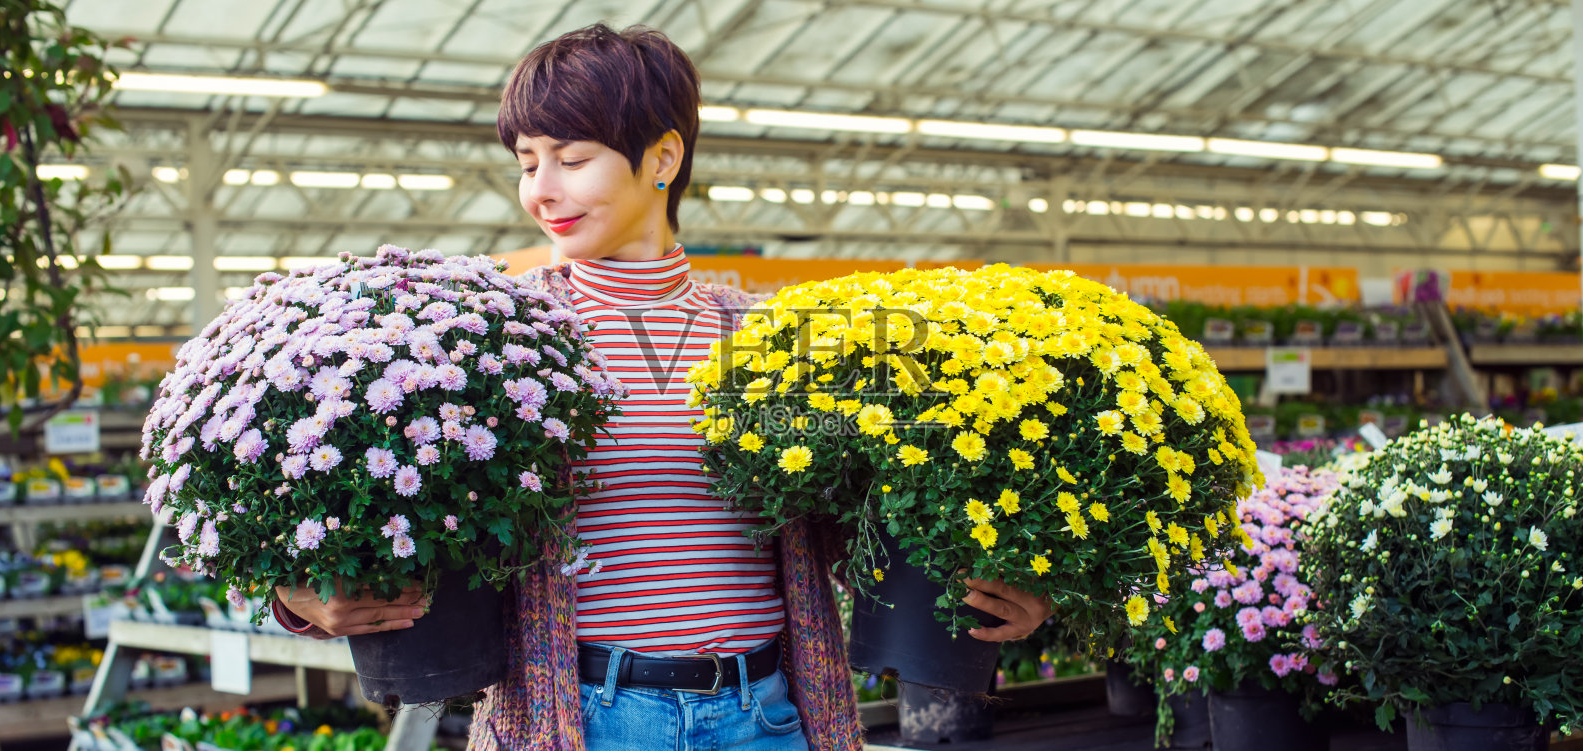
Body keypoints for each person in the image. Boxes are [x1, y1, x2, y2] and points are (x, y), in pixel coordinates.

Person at [272, 23, 1053, 750]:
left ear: (663, 159)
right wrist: (299, 597)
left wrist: (1009, 592)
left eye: (571, 159)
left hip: (771, 714)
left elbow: (857, 529)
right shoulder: (489, 342)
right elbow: (353, 497)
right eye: (526, 162)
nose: (542, 189)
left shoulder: (771, 340)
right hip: (584, 718)